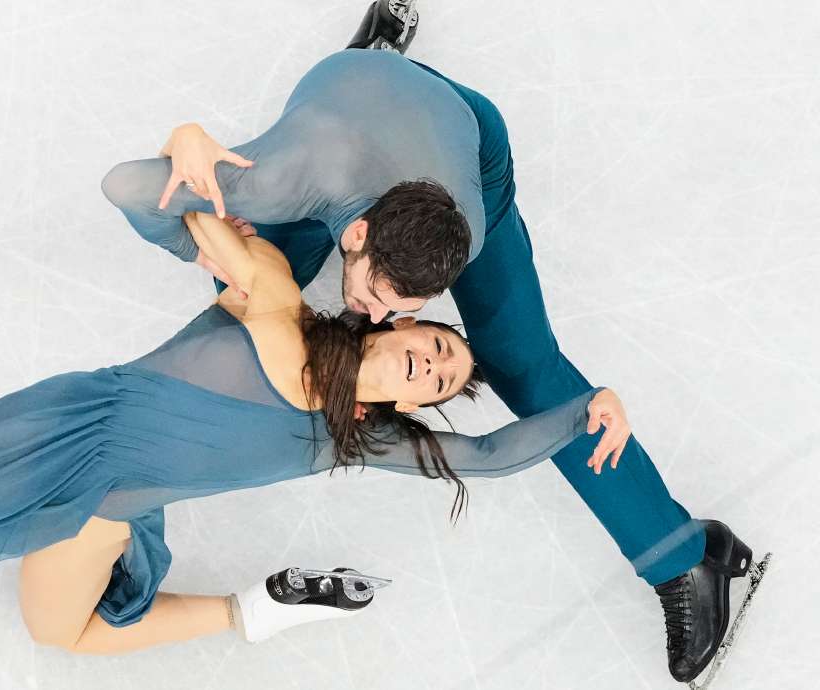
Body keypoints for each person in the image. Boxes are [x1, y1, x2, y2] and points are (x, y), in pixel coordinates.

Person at [99, 2, 755, 682]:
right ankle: (378, 60)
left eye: (400, 309)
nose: (378, 318)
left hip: (463, 135)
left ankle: (684, 556)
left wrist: (587, 409)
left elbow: (490, 435)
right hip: (337, 122)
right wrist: (197, 217)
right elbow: (131, 187)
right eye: (377, 298)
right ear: (353, 235)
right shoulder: (280, 178)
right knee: (244, 328)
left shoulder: (463, 225)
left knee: (522, 366)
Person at [0, 209, 631, 655]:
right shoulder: (278, 307)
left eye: (446, 380)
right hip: (68, 425)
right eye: (437, 347)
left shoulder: (354, 438)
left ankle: (253, 609)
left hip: (102, 515)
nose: (435, 366)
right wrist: (205, 204)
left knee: (62, 635)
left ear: (419, 406)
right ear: (399, 327)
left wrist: (587, 405)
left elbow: (490, 456)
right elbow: (166, 210)